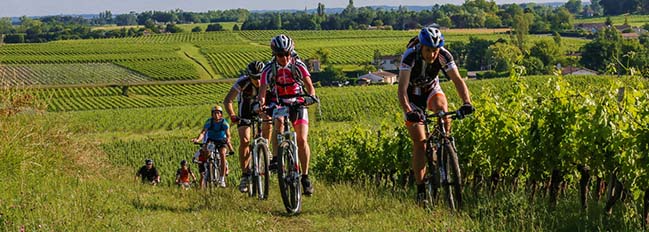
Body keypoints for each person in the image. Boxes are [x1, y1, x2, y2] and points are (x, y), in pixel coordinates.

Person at [397, 26, 475, 204]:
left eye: (435, 51)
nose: (432, 55)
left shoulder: (444, 55)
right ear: (421, 47)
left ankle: (445, 145)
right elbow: (401, 90)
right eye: (428, 50)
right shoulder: (410, 56)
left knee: (442, 110)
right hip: (413, 95)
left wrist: (467, 102)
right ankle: (421, 190)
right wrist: (409, 112)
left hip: (431, 89)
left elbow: (457, 80)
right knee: (419, 141)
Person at [258, 34, 317, 196]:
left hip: (298, 102)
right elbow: (262, 90)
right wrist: (262, 104)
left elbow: (309, 85)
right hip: (279, 102)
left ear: (291, 53)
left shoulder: (298, 65)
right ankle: (277, 158)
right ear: (274, 54)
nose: (284, 58)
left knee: (302, 139)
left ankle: (305, 177)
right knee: (278, 123)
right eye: (280, 55)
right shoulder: (269, 69)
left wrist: (311, 97)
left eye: (287, 54)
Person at [224, 61, 274, 193]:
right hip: (245, 112)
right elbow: (228, 100)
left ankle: (266, 147)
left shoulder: (268, 81)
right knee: (245, 140)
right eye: (254, 77)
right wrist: (233, 115)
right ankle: (245, 175)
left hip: (261, 110)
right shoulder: (242, 82)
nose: (258, 81)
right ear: (249, 76)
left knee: (268, 121)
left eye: (260, 77)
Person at [192, 105, 232, 188]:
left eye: (218, 113)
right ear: (212, 114)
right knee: (206, 151)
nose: (216, 115)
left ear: (221, 114)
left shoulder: (224, 123)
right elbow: (203, 133)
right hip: (211, 140)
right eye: (214, 113)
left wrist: (228, 139)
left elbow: (228, 134)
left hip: (221, 140)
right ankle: (207, 167)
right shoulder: (209, 122)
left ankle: (222, 179)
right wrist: (197, 139)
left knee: (222, 155)